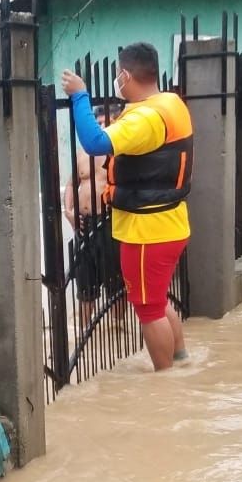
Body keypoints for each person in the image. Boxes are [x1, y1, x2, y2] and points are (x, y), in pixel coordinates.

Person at [61, 42, 193, 371]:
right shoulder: (170, 104)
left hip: (147, 230)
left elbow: (94, 143)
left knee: (148, 309)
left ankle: (165, 380)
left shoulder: (147, 118)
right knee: (159, 301)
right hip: (168, 223)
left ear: (124, 74)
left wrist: (80, 95)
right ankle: (181, 363)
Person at [62, 110, 123, 328]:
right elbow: (71, 184)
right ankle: (84, 334)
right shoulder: (82, 153)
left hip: (109, 221)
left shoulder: (119, 152)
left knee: (114, 279)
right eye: (97, 123)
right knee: (84, 279)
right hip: (83, 223)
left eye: (105, 122)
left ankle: (118, 328)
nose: (100, 127)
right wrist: (68, 211)